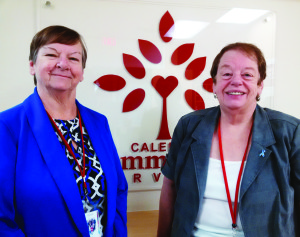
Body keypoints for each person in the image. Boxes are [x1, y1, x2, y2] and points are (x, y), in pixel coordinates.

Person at [157, 42, 300, 237]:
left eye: (247, 75)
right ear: (214, 84)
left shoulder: (289, 132)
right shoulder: (189, 126)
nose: (236, 81)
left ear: (260, 86)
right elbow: (169, 187)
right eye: (226, 74)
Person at [0, 25, 128, 237]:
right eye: (51, 54)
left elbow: (119, 189)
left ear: (82, 72)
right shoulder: (7, 126)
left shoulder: (98, 122)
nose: (63, 64)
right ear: (32, 65)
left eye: (74, 58)